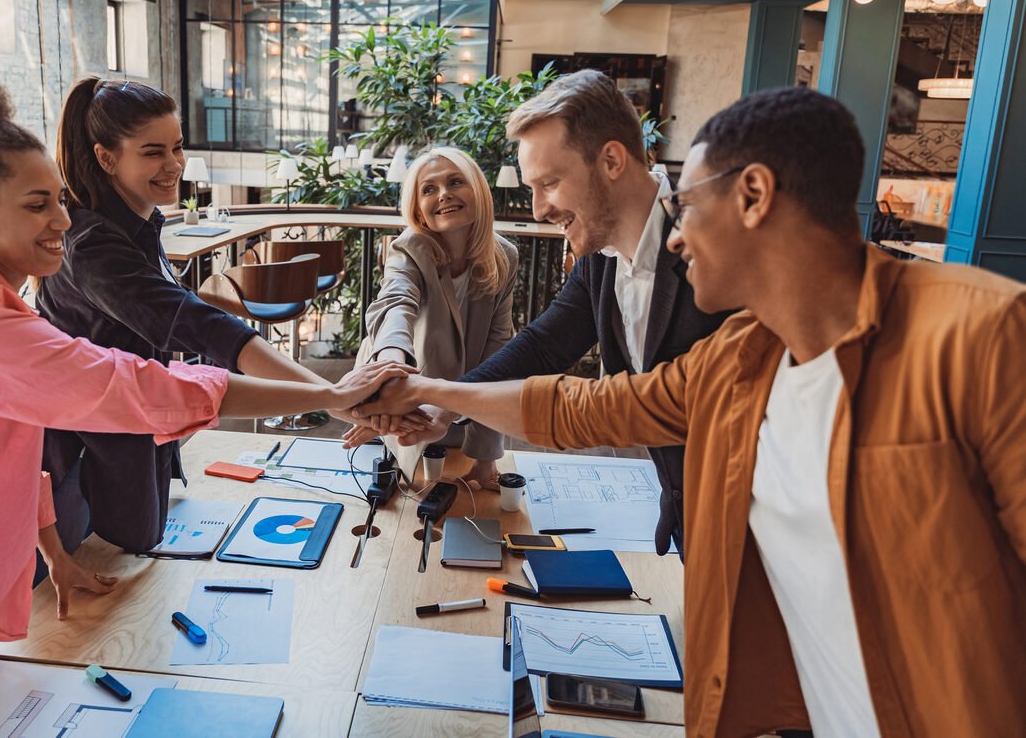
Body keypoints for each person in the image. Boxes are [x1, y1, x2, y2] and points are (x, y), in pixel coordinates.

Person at [354, 87, 1026, 736]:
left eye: (686, 204)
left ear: (753, 195)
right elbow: (578, 406)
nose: (676, 237)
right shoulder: (738, 355)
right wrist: (430, 395)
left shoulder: (996, 335)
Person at [0, 75, 407, 737]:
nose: (64, 221)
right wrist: (329, 393)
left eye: (60, 200)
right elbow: (137, 385)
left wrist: (54, 550)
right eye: (39, 205)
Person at [359, 70, 726, 552]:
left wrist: (436, 393)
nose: (537, 210)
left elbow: (617, 408)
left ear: (612, 160)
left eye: (549, 183)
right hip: (689, 520)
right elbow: (544, 345)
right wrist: (444, 406)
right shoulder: (601, 258)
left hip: (746, 515)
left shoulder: (714, 251)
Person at [39, 77, 408, 553]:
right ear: (106, 157)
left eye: (177, 147)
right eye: (152, 152)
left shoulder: (137, 222)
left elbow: (200, 327)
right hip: (87, 449)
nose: (173, 165)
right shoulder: (94, 246)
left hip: (134, 422)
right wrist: (333, 397)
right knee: (86, 581)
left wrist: (333, 397)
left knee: (133, 557)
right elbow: (204, 327)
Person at [355, 147, 518, 485]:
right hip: (402, 406)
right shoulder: (409, 247)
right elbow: (395, 304)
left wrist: (485, 458)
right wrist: (390, 370)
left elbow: (498, 352)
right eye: (429, 189)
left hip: (462, 410)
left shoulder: (504, 257)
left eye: (455, 182)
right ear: (418, 209)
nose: (444, 194)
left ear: (478, 191)